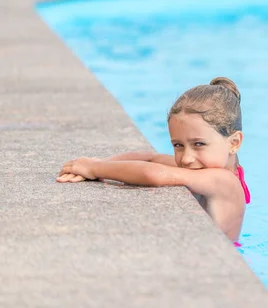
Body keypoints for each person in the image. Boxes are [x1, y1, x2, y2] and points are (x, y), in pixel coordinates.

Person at [56, 77, 251, 244]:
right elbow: (149, 157)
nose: (187, 158)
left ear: (234, 142)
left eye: (198, 144)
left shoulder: (223, 180)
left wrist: (96, 168)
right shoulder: (203, 165)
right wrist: (96, 165)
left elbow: (153, 173)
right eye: (178, 145)